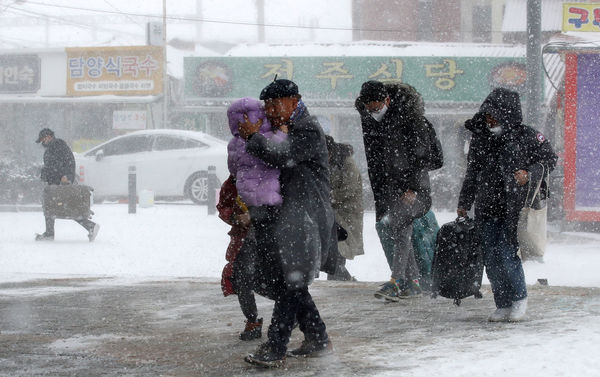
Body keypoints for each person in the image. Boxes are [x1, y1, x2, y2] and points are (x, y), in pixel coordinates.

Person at [238, 78, 337, 368]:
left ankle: (276, 346)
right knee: (290, 282)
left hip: (306, 216)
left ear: (295, 101)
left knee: (291, 283)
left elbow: (280, 156)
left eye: (275, 103)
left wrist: (253, 138)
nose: (270, 110)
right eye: (266, 105)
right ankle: (318, 339)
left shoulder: (306, 128)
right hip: (291, 217)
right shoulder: (287, 128)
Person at [457, 88, 557, 322]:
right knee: (490, 257)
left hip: (514, 209)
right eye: (488, 117)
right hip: (486, 207)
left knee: (506, 253)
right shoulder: (480, 139)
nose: (490, 122)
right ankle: (502, 303)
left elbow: (549, 160)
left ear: (508, 115)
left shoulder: (528, 136)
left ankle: (519, 299)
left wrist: (529, 173)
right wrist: (464, 202)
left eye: (495, 118)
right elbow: (472, 172)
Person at [355, 81, 434, 301]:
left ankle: (398, 280)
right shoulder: (371, 122)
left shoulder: (409, 121)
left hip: (411, 189)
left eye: (377, 107)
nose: (373, 112)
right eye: (369, 108)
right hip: (388, 188)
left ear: (388, 101)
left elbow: (423, 157)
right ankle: (413, 281)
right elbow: (376, 160)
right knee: (397, 230)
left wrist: (413, 188)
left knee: (402, 231)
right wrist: (381, 195)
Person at [222, 97, 287, 341]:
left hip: (269, 219)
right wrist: (237, 216)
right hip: (253, 223)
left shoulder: (274, 139)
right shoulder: (242, 145)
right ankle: (256, 320)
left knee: (267, 276)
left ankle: (290, 314)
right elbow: (231, 185)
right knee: (246, 275)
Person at [217, 175, 262, 341]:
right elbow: (224, 206)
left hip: (270, 237)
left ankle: (292, 317)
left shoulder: (269, 175)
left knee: (278, 281)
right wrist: (236, 218)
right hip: (245, 240)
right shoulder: (234, 182)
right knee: (243, 279)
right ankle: (252, 321)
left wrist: (255, 215)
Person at [35, 128, 100, 241]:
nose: (42, 143)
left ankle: (90, 226)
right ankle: (50, 233)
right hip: (55, 182)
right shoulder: (52, 147)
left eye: (42, 140)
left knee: (65, 207)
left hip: (61, 182)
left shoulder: (58, 145)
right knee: (55, 206)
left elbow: (69, 162)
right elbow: (52, 165)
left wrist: (67, 176)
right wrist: (44, 173)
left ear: (48, 137)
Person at [324, 134, 364, 281]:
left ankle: (341, 278)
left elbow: (350, 188)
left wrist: (329, 197)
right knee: (334, 250)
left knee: (340, 247)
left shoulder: (346, 163)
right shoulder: (326, 163)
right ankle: (341, 278)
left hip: (347, 213)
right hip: (332, 213)